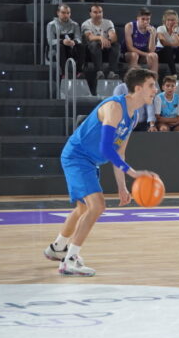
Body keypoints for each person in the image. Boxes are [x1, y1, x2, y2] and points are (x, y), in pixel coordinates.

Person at [43, 69, 159, 277]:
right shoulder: (115, 107)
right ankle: (70, 260)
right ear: (138, 88)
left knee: (82, 209)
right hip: (77, 157)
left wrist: (122, 187)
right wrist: (133, 173)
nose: (155, 90)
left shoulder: (134, 116)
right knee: (97, 206)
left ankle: (57, 248)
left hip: (89, 161)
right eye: (152, 85)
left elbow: (119, 151)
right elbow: (106, 148)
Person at [81, 4, 120, 90]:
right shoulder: (86, 24)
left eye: (100, 12)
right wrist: (101, 38)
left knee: (116, 45)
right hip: (91, 52)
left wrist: (108, 41)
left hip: (105, 48)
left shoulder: (108, 22)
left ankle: (112, 72)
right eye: (95, 12)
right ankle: (99, 71)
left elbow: (113, 36)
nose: (98, 14)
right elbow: (90, 37)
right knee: (94, 44)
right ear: (90, 13)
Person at [47, 4, 86, 79]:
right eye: (63, 13)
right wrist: (62, 41)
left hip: (71, 46)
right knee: (60, 47)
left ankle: (79, 71)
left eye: (68, 13)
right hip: (58, 47)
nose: (66, 15)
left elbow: (78, 38)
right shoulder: (51, 25)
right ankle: (64, 73)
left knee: (81, 46)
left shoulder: (75, 24)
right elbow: (50, 41)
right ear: (58, 13)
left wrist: (74, 41)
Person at [122, 8, 159, 73]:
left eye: (148, 19)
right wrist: (146, 54)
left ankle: (153, 80)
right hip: (129, 54)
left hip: (143, 56)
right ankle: (133, 80)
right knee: (134, 55)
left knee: (154, 56)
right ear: (138, 18)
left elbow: (151, 50)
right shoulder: (129, 26)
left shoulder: (153, 29)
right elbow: (130, 48)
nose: (145, 22)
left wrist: (152, 35)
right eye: (143, 19)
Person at [156, 9, 179, 76]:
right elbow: (163, 43)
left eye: (173, 20)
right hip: (162, 55)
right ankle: (174, 73)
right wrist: (178, 45)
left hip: (173, 55)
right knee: (168, 48)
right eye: (168, 20)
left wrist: (174, 32)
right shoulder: (160, 28)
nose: (170, 22)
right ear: (165, 21)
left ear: (177, 21)